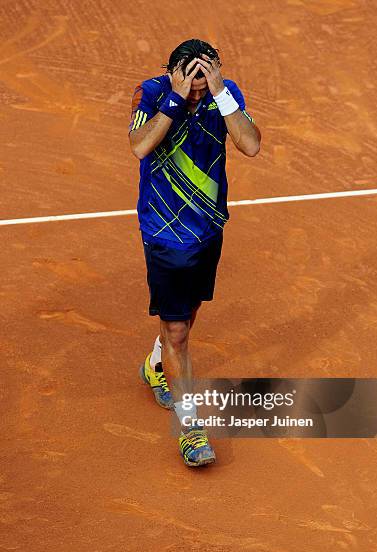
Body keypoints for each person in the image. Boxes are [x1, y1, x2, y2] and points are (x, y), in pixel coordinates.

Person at [128, 39, 261, 467]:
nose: (198, 91)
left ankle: (156, 363)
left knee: (186, 316)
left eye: (206, 82)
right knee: (180, 333)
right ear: (173, 72)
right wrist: (176, 97)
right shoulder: (151, 93)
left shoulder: (226, 93)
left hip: (207, 227)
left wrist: (219, 94)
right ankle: (191, 428)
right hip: (164, 232)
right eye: (193, 83)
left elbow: (251, 144)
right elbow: (139, 146)